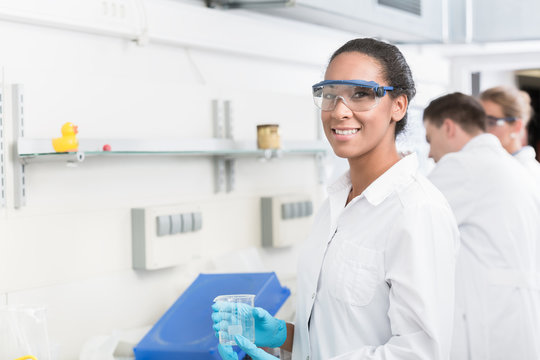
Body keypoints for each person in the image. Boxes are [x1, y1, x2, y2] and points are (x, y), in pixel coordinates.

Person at [212, 38, 459, 360]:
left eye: (361, 94)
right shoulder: (336, 202)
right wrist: (284, 335)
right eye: (330, 96)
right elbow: (340, 332)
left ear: (398, 106)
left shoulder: (416, 211)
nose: (340, 111)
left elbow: (420, 352)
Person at [423, 92, 540, 360]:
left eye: (430, 139)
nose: (429, 153)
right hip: (518, 318)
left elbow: (407, 216)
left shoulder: (463, 166)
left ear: (449, 127)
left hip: (490, 320)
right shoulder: (507, 167)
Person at [479, 86, 540, 183]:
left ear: (517, 126)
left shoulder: (530, 175)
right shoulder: (483, 165)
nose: (481, 130)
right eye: (478, 121)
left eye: (490, 122)